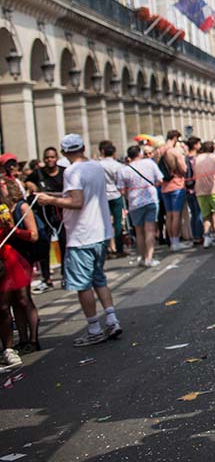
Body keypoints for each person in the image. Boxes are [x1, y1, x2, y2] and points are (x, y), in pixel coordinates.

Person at [35, 134, 122, 346]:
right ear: (83, 147)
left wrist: (50, 200)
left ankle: (94, 328)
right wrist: (56, 193)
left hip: (82, 235)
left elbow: (76, 201)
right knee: (99, 279)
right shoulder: (95, 167)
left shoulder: (72, 171)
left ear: (63, 152)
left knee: (83, 285)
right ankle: (112, 319)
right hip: (100, 233)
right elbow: (80, 192)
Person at [1, 178, 37, 367]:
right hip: (9, 256)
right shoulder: (5, 208)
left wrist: (12, 229)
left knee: (22, 300)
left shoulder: (20, 208)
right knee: (14, 302)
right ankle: (22, 341)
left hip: (18, 258)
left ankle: (32, 340)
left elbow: (34, 235)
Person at [116, 144, 163, 268]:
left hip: (134, 202)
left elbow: (121, 190)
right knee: (150, 230)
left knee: (139, 232)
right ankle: (150, 258)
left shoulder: (124, 170)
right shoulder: (149, 163)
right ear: (140, 154)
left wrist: (129, 191)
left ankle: (142, 257)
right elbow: (160, 180)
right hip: (150, 199)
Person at [26, 146, 63, 288]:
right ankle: (47, 278)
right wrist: (31, 185)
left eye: (52, 157)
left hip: (60, 213)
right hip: (44, 214)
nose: (50, 160)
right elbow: (27, 181)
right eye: (47, 157)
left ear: (56, 158)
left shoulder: (63, 172)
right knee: (44, 245)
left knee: (64, 243)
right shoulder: (38, 173)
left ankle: (66, 275)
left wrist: (52, 197)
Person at [156, 130, 188, 252]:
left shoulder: (158, 151)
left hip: (164, 187)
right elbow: (184, 169)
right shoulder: (174, 152)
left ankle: (171, 241)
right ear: (175, 138)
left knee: (168, 215)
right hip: (176, 185)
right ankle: (175, 241)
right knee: (176, 215)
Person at [96, 141, 127, 259]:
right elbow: (120, 181)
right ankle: (119, 249)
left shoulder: (98, 165)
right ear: (113, 153)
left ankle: (107, 249)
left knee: (104, 223)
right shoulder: (118, 165)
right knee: (118, 222)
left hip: (103, 195)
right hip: (115, 194)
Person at [184, 136, 204, 245]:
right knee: (198, 213)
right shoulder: (196, 159)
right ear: (195, 145)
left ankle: (195, 236)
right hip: (196, 187)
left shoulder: (185, 158)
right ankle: (199, 235)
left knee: (193, 213)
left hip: (187, 189)